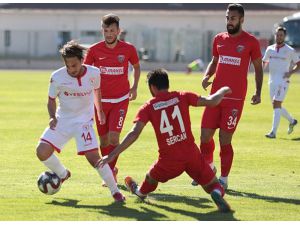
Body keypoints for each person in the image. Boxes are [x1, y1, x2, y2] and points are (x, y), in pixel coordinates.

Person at [99, 68, 233, 213]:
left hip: (168, 160)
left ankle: (139, 191)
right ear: (167, 84)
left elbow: (134, 133)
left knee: (150, 178)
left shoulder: (148, 106)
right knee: (213, 185)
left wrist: (112, 154)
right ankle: (217, 194)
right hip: (192, 154)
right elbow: (212, 101)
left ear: (152, 87)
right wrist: (224, 90)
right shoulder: (182, 96)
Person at [36, 40, 125, 202]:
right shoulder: (56, 77)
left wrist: (100, 111)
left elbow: (97, 91)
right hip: (62, 120)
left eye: (74, 65)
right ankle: (63, 174)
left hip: (84, 123)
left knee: (95, 159)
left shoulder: (94, 73)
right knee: (41, 151)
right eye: (68, 65)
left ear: (82, 61)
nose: (71, 69)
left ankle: (115, 191)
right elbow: (50, 100)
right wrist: (51, 117)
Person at [194, 4, 263, 190]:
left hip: (235, 100)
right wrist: (207, 75)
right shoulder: (218, 39)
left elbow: (258, 68)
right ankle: (208, 168)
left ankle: (224, 178)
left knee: (225, 139)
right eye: (227, 18)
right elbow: (215, 61)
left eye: (233, 18)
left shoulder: (251, 42)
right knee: (204, 136)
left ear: (241, 19)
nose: (229, 21)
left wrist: (258, 92)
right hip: (214, 97)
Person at [84, 14, 140, 185]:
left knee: (114, 138)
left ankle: (109, 174)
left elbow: (137, 67)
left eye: (112, 30)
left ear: (118, 31)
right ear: (102, 30)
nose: (109, 33)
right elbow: (85, 71)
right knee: (104, 140)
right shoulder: (94, 50)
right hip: (100, 101)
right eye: (106, 30)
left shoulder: (128, 49)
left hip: (121, 99)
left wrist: (134, 87)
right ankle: (112, 169)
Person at [262, 26, 300, 139]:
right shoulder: (270, 49)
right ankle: (292, 121)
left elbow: (298, 63)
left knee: (276, 103)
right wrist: (261, 70)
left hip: (283, 81)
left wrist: (290, 73)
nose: (279, 37)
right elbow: (264, 61)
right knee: (275, 105)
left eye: (281, 35)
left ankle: (273, 132)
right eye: (277, 35)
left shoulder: (290, 50)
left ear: (285, 36)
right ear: (275, 35)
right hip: (271, 81)